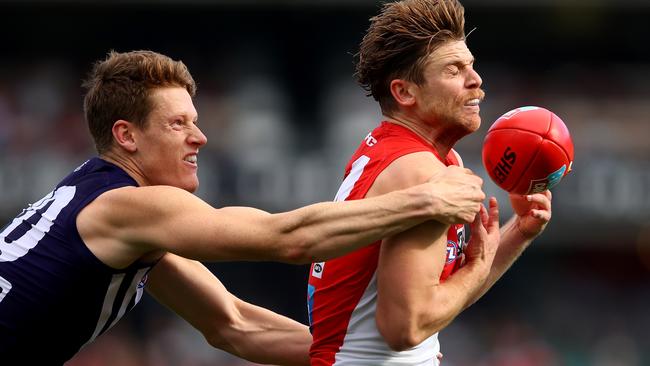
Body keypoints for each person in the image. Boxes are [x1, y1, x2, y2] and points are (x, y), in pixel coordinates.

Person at [0, 50, 487, 365]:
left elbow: (234, 325)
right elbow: (286, 238)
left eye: (196, 120)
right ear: (126, 136)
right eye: (178, 124)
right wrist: (424, 199)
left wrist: (358, 356)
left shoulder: (122, 219)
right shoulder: (127, 206)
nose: (201, 137)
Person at [306, 1, 553, 365]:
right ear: (405, 93)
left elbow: (437, 301)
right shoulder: (420, 172)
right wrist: (477, 266)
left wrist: (519, 232)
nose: (476, 80)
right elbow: (403, 327)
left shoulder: (415, 155)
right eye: (454, 70)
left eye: (471, 66)